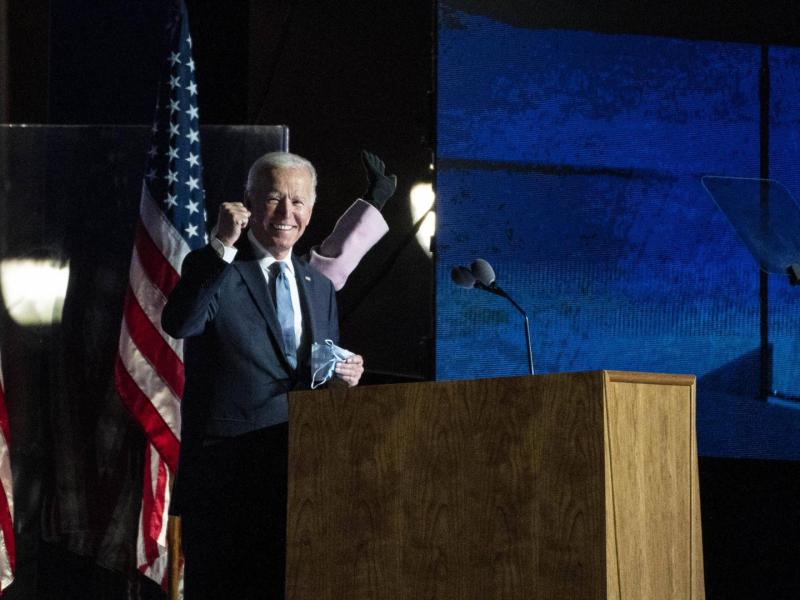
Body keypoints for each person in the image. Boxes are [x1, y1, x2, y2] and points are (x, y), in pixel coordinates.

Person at [162, 151, 365, 599]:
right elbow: (181, 323)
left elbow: (310, 380)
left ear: (311, 211)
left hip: (300, 485)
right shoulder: (215, 268)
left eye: (298, 202)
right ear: (249, 203)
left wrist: (341, 378)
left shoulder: (320, 288)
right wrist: (220, 246)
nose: (286, 213)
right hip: (226, 487)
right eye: (274, 199)